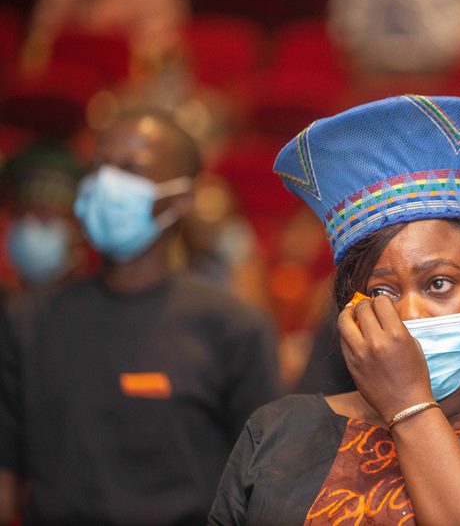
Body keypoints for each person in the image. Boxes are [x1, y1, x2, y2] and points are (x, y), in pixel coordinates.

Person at [209, 95, 460, 525]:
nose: (411, 316)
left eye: (439, 284)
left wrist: (407, 405)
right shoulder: (277, 429)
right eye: (383, 292)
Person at [0, 109, 283, 525]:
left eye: (131, 169)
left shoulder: (234, 329)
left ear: (182, 198)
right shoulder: (27, 322)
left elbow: (266, 488)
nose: (106, 183)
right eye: (99, 166)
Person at [0, 141, 88, 292]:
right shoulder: (6, 306)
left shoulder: (94, 307)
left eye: (48, 219)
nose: (34, 228)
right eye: (27, 215)